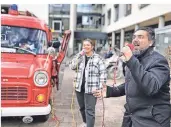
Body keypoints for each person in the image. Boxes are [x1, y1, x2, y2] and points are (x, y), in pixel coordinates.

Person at [93, 27, 171, 127]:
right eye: (134, 37)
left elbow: (151, 87)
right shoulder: (134, 59)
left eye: (140, 37)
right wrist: (110, 91)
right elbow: (131, 83)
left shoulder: (159, 61)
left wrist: (131, 60)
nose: (135, 39)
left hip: (152, 120)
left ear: (151, 42)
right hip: (131, 116)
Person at [69, 38, 107, 127]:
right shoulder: (80, 57)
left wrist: (101, 88)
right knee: (82, 108)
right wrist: (79, 54)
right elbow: (72, 66)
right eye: (84, 45)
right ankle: (86, 123)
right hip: (79, 87)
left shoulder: (98, 58)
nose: (85, 47)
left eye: (88, 45)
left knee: (90, 110)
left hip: (92, 89)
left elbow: (103, 74)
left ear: (92, 47)